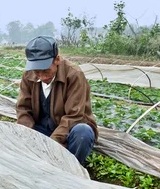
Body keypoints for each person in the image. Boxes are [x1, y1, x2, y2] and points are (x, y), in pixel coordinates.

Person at [16, 36, 98, 164]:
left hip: (69, 129)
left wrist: (52, 144)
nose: (42, 77)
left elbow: (74, 116)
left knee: (83, 133)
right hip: (43, 128)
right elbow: (23, 109)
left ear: (57, 60)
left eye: (46, 71)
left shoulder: (74, 75)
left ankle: (71, 167)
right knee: (19, 132)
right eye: (37, 72)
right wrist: (27, 135)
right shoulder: (28, 75)